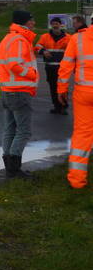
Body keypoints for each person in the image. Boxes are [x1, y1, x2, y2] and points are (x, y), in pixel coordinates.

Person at [0, 11, 38, 178]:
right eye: (32, 20)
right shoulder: (19, 40)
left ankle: (10, 167)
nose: (34, 23)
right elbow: (14, 65)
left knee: (10, 129)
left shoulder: (8, 38)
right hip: (19, 91)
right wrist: (32, 74)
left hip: (8, 90)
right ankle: (14, 168)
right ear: (25, 22)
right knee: (23, 131)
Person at [57, 24, 93, 188]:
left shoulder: (77, 39)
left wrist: (61, 89)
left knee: (82, 135)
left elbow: (66, 65)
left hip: (84, 93)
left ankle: (77, 180)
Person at [36, 17, 71, 114]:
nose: (55, 25)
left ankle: (63, 107)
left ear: (60, 25)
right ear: (51, 25)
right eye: (53, 24)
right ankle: (56, 106)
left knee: (63, 87)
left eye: (57, 23)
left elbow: (72, 50)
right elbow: (38, 46)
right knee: (53, 87)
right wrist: (43, 51)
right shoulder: (45, 36)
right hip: (50, 67)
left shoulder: (68, 37)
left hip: (63, 67)